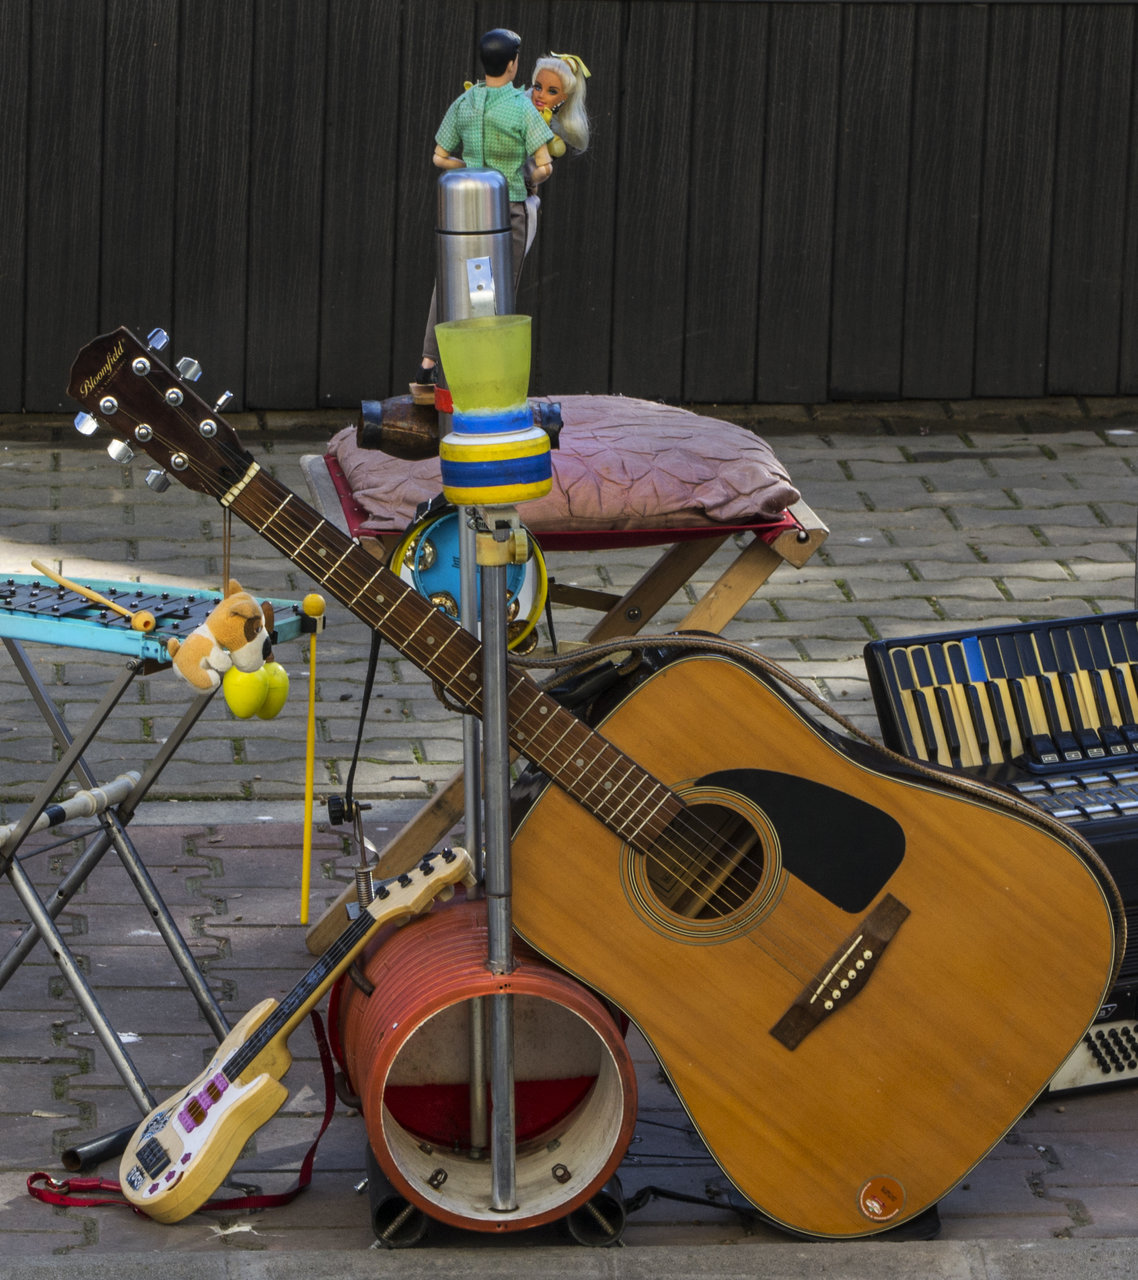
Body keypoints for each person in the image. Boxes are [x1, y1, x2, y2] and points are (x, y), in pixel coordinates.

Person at [414, 29, 553, 394]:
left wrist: (471, 169)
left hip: (465, 208)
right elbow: (545, 165)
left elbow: (439, 157)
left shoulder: (465, 102)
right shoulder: (522, 107)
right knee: (496, 291)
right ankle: (487, 371)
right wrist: (527, 177)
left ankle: (428, 363)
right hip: (507, 208)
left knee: (450, 283)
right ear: (512, 64)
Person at [527, 52, 591, 161]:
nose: (541, 95)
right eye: (538, 87)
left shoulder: (553, 133)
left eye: (552, 91)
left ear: (563, 98)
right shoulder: (521, 109)